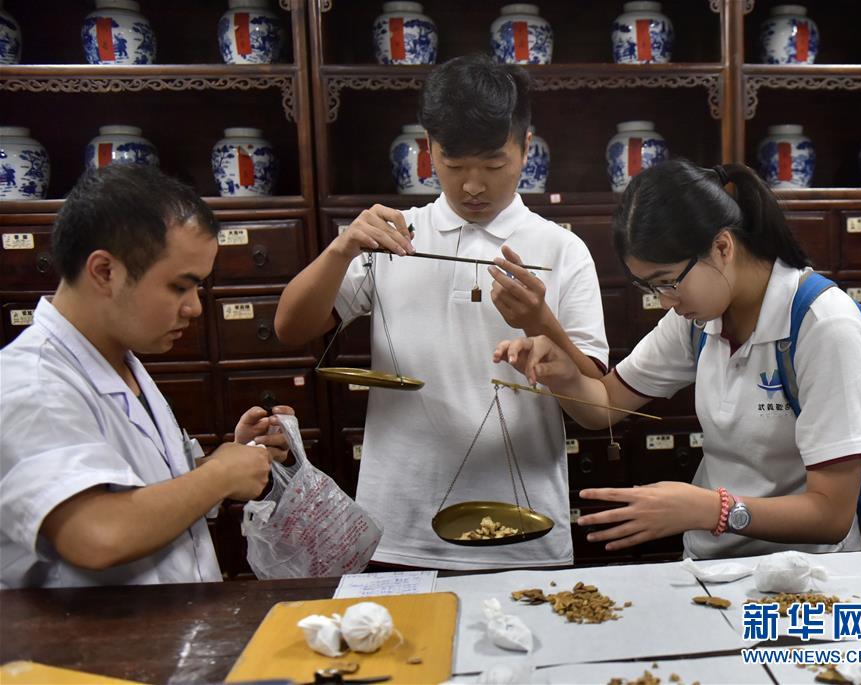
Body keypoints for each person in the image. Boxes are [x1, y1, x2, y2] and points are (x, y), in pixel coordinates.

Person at [275, 53, 609, 570]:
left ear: (525, 148)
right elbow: (290, 328)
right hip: (397, 529)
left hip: (523, 530)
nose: (473, 185)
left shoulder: (561, 251)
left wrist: (541, 325)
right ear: (429, 149)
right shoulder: (395, 236)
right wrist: (341, 250)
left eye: (494, 165)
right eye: (454, 165)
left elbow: (595, 411)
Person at [494, 159, 861, 560]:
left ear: (723, 247)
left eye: (668, 282)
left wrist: (710, 509)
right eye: (650, 286)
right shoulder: (697, 320)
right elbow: (603, 407)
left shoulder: (824, 327)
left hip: (805, 579)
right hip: (712, 568)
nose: (664, 302)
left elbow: (832, 514)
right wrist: (562, 375)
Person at [0, 164, 295, 588]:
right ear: (105, 272)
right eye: (180, 286)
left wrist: (227, 459)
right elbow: (96, 535)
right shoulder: (31, 384)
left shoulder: (119, 362)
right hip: (90, 650)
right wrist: (217, 476)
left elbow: (140, 493)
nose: (194, 307)